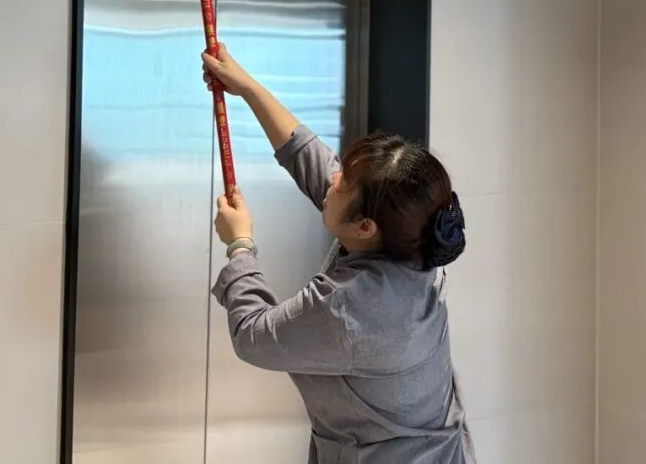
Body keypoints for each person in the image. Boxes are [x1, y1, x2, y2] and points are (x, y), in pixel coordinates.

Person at [202, 45, 474, 464]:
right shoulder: (410, 241)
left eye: (343, 182)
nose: (333, 179)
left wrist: (240, 245)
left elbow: (253, 336)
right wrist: (247, 87)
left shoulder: (353, 309)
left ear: (365, 227)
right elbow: (312, 162)